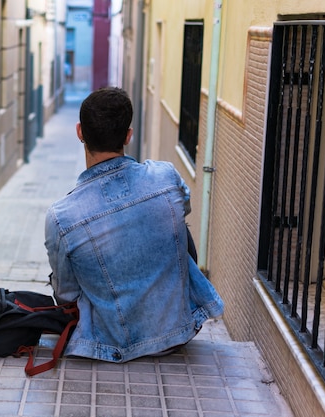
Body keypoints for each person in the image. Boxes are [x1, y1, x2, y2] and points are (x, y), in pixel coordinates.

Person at [44, 87, 224, 362]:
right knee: (173, 224)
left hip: (111, 344)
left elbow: (66, 294)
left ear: (80, 132)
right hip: (181, 332)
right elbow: (183, 210)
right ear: (128, 135)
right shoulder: (166, 176)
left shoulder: (61, 216)